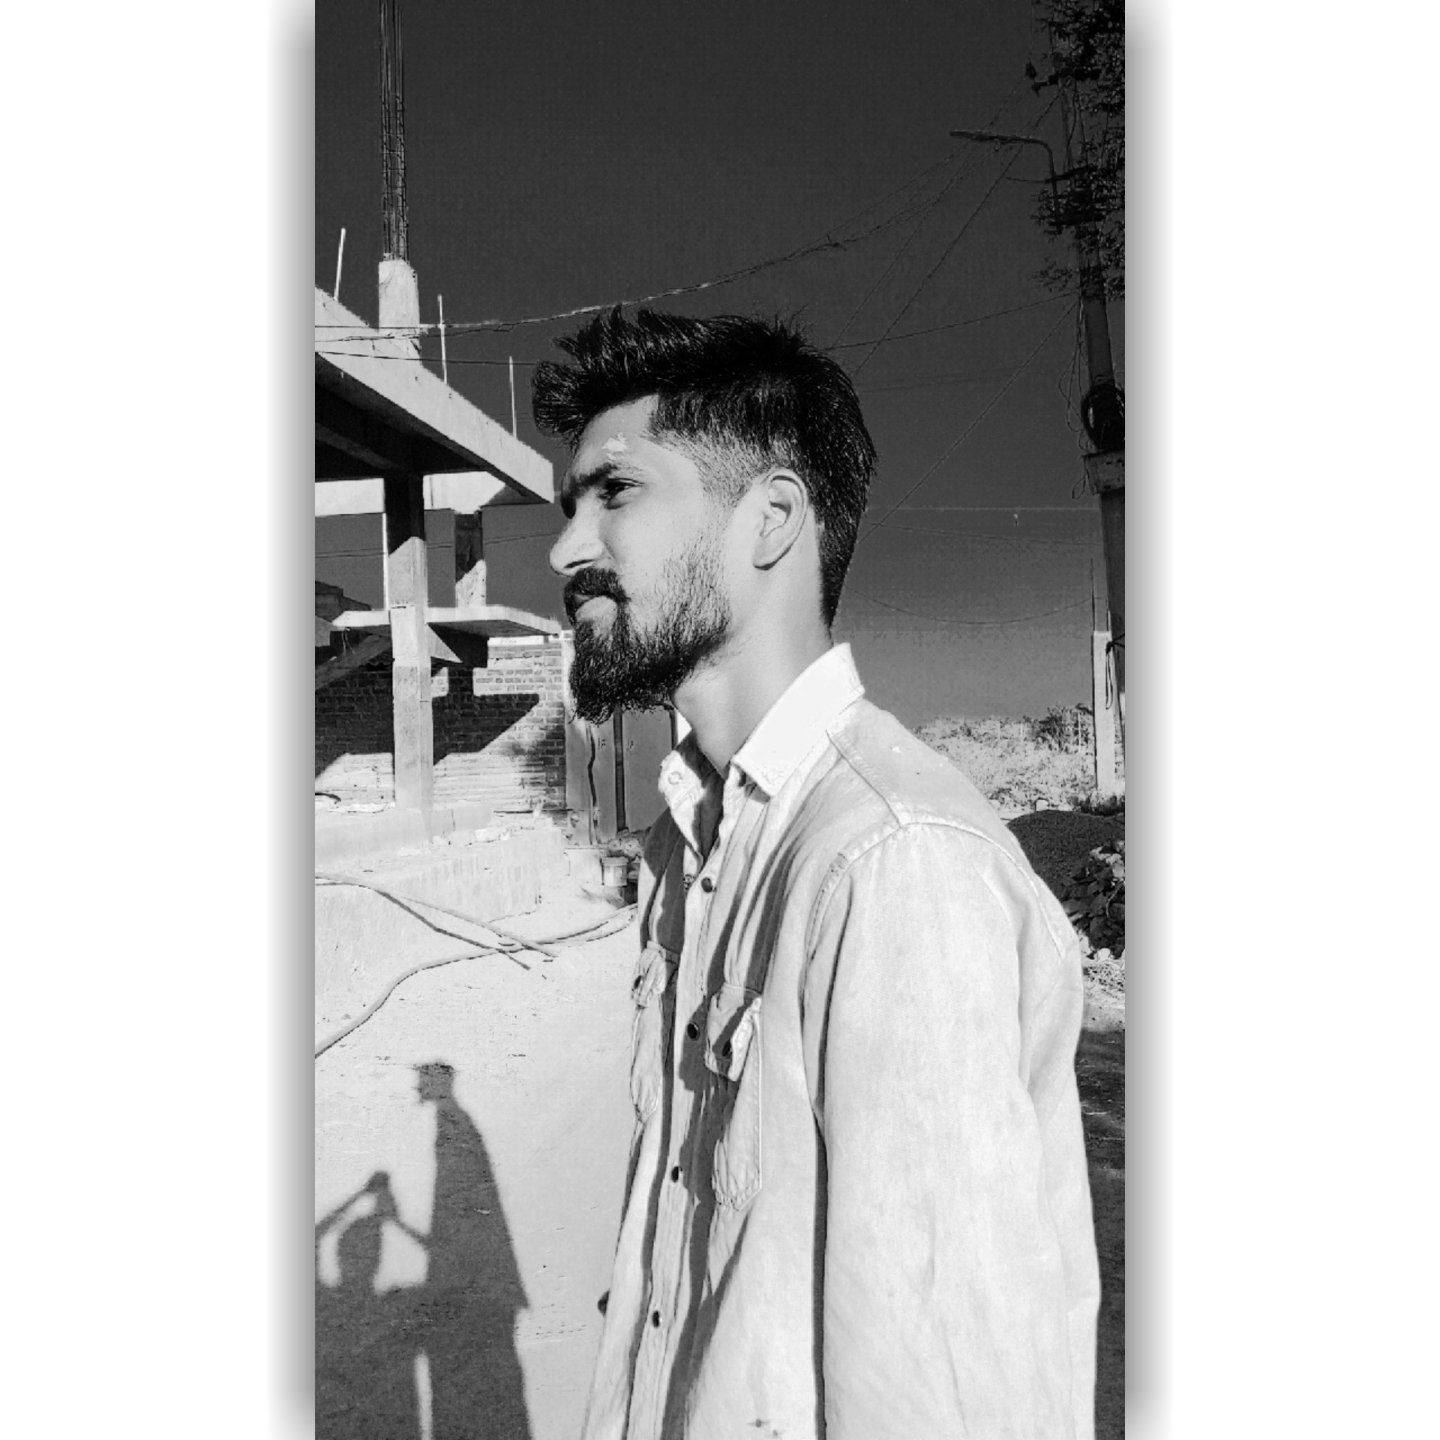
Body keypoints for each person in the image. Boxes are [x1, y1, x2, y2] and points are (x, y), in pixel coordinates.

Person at [533, 308, 1099, 1440]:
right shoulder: (690, 847)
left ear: (774, 518)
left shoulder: (890, 865)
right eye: (568, 506)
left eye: (616, 491)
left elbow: (945, 1397)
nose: (565, 550)